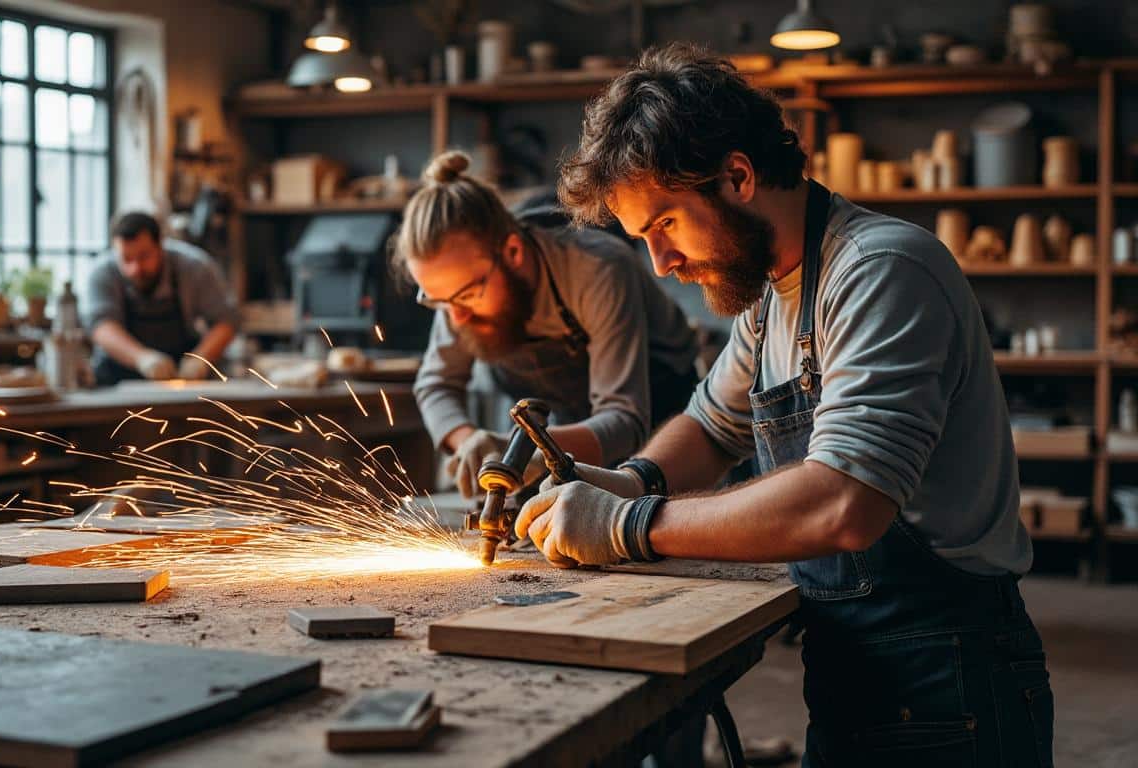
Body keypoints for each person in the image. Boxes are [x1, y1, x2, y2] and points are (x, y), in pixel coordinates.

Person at [516, 44, 1054, 767]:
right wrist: (631, 479)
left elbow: (843, 504)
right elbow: (712, 426)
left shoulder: (879, 272)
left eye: (665, 225)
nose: (660, 264)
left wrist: (628, 525)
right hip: (854, 663)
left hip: (949, 675)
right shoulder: (771, 298)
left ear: (737, 176)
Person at [395, 151, 699, 498]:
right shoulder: (459, 287)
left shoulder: (597, 269)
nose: (455, 317)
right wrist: (472, 445)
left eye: (465, 296)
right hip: (560, 435)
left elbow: (625, 420)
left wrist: (530, 450)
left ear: (512, 252)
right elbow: (436, 384)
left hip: (662, 421)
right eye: (438, 302)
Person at [82, 212, 238, 385]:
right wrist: (142, 358)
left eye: (144, 257)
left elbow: (226, 321)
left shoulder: (194, 267)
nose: (136, 268)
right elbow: (101, 326)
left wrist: (201, 359)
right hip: (117, 383)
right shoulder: (102, 273)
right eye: (127, 259)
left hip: (183, 381)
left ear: (161, 245)